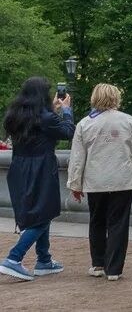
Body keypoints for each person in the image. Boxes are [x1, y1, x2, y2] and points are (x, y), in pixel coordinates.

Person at [67, 83, 132, 281]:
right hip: (123, 180)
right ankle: (114, 269)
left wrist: (75, 184)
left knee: (96, 221)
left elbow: (77, 158)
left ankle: (98, 264)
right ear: (116, 98)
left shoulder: (85, 124)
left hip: (95, 181)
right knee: (119, 223)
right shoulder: (128, 121)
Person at [0, 78, 75, 281]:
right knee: (45, 213)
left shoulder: (14, 115)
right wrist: (66, 110)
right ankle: (14, 258)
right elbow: (68, 132)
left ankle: (44, 260)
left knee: (40, 212)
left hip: (19, 168)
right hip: (41, 168)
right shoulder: (46, 117)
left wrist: (53, 109)